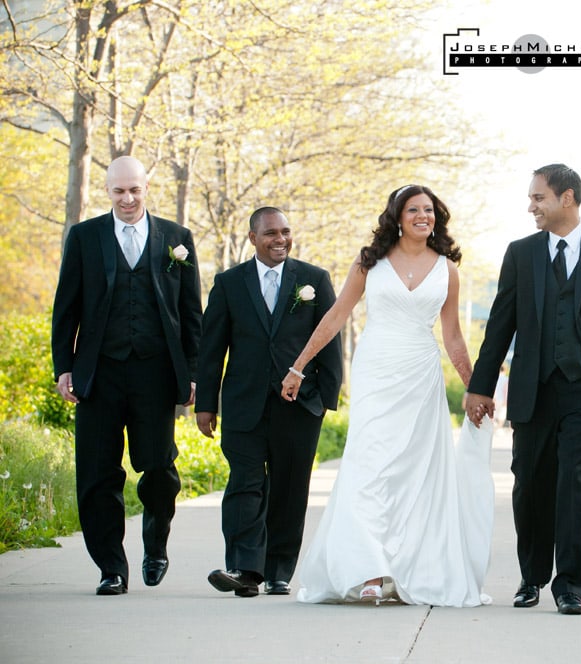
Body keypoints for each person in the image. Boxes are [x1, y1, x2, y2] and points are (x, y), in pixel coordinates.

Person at [281, 184, 494, 607]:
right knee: (370, 466)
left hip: (421, 376)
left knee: (415, 475)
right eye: (413, 209)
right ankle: (369, 569)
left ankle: (405, 568)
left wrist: (476, 386)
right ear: (397, 216)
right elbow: (337, 314)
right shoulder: (369, 262)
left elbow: (452, 336)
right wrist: (298, 365)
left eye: (429, 210)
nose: (423, 216)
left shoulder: (447, 269)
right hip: (377, 373)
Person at [464, 164, 581, 615]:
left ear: (566, 198)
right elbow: (500, 324)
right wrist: (480, 386)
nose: (531, 206)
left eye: (537, 198)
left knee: (573, 484)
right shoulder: (521, 254)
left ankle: (570, 586)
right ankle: (531, 577)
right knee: (529, 483)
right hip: (533, 388)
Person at [51, 156, 202, 595]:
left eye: (134, 189)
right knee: (97, 475)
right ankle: (111, 568)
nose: (128, 198)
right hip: (98, 373)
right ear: (107, 191)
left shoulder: (178, 239)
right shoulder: (84, 237)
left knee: (158, 470)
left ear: (146, 187)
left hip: (155, 374)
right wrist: (64, 366)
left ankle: (156, 544)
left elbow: (191, 313)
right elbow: (67, 307)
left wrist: (192, 373)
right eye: (119, 191)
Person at [196, 207, 343, 598]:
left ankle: (278, 570)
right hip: (243, 403)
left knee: (289, 488)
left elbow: (330, 339)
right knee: (244, 483)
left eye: (285, 232)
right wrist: (205, 404)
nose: (280, 239)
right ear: (252, 238)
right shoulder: (228, 283)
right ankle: (245, 569)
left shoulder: (313, 280)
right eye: (271, 233)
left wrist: (327, 397)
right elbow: (212, 349)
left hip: (299, 404)